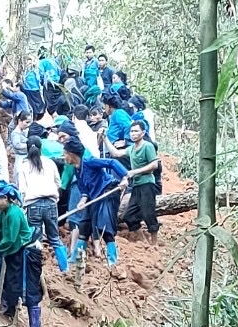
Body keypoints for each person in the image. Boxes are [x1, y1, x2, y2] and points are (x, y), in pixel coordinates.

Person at [0, 182, 43, 327]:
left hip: (26, 254)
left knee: (28, 289)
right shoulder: (4, 212)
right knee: (10, 283)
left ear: (5, 198)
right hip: (14, 254)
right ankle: (9, 312)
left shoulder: (14, 213)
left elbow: (10, 239)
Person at [64, 136, 126, 267]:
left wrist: (124, 177)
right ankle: (76, 257)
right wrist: (82, 201)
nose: (64, 158)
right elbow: (84, 190)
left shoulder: (89, 161)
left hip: (107, 191)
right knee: (84, 225)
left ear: (71, 154)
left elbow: (111, 163)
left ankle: (112, 260)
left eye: (65, 154)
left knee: (105, 226)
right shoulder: (77, 168)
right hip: (94, 196)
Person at [15, 133, 69, 271]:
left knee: (36, 240)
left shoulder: (23, 166)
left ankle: (37, 271)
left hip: (33, 205)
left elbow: (21, 189)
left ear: (27, 149)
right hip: (51, 204)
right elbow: (58, 182)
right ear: (41, 148)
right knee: (55, 239)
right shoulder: (50, 162)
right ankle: (65, 269)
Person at [121, 116, 160, 238]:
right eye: (131, 131)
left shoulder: (148, 146)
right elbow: (116, 153)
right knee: (129, 216)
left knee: (149, 213)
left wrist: (135, 171)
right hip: (136, 185)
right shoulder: (131, 148)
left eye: (136, 131)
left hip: (147, 184)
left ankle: (154, 244)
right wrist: (104, 139)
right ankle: (143, 241)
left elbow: (154, 165)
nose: (133, 134)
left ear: (143, 133)